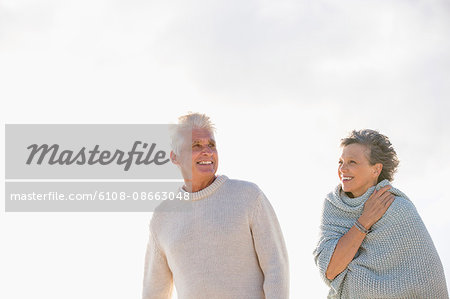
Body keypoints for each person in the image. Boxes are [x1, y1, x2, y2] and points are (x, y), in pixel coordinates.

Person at [142, 113, 289, 299]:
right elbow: (154, 291)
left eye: (211, 145)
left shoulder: (249, 197)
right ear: (175, 157)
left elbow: (277, 267)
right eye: (196, 145)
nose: (207, 151)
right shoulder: (162, 217)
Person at [314, 129, 449, 299]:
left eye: (352, 162)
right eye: (340, 162)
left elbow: (427, 276)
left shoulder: (398, 208)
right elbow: (330, 270)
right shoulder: (334, 205)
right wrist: (364, 222)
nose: (342, 169)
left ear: (376, 169)